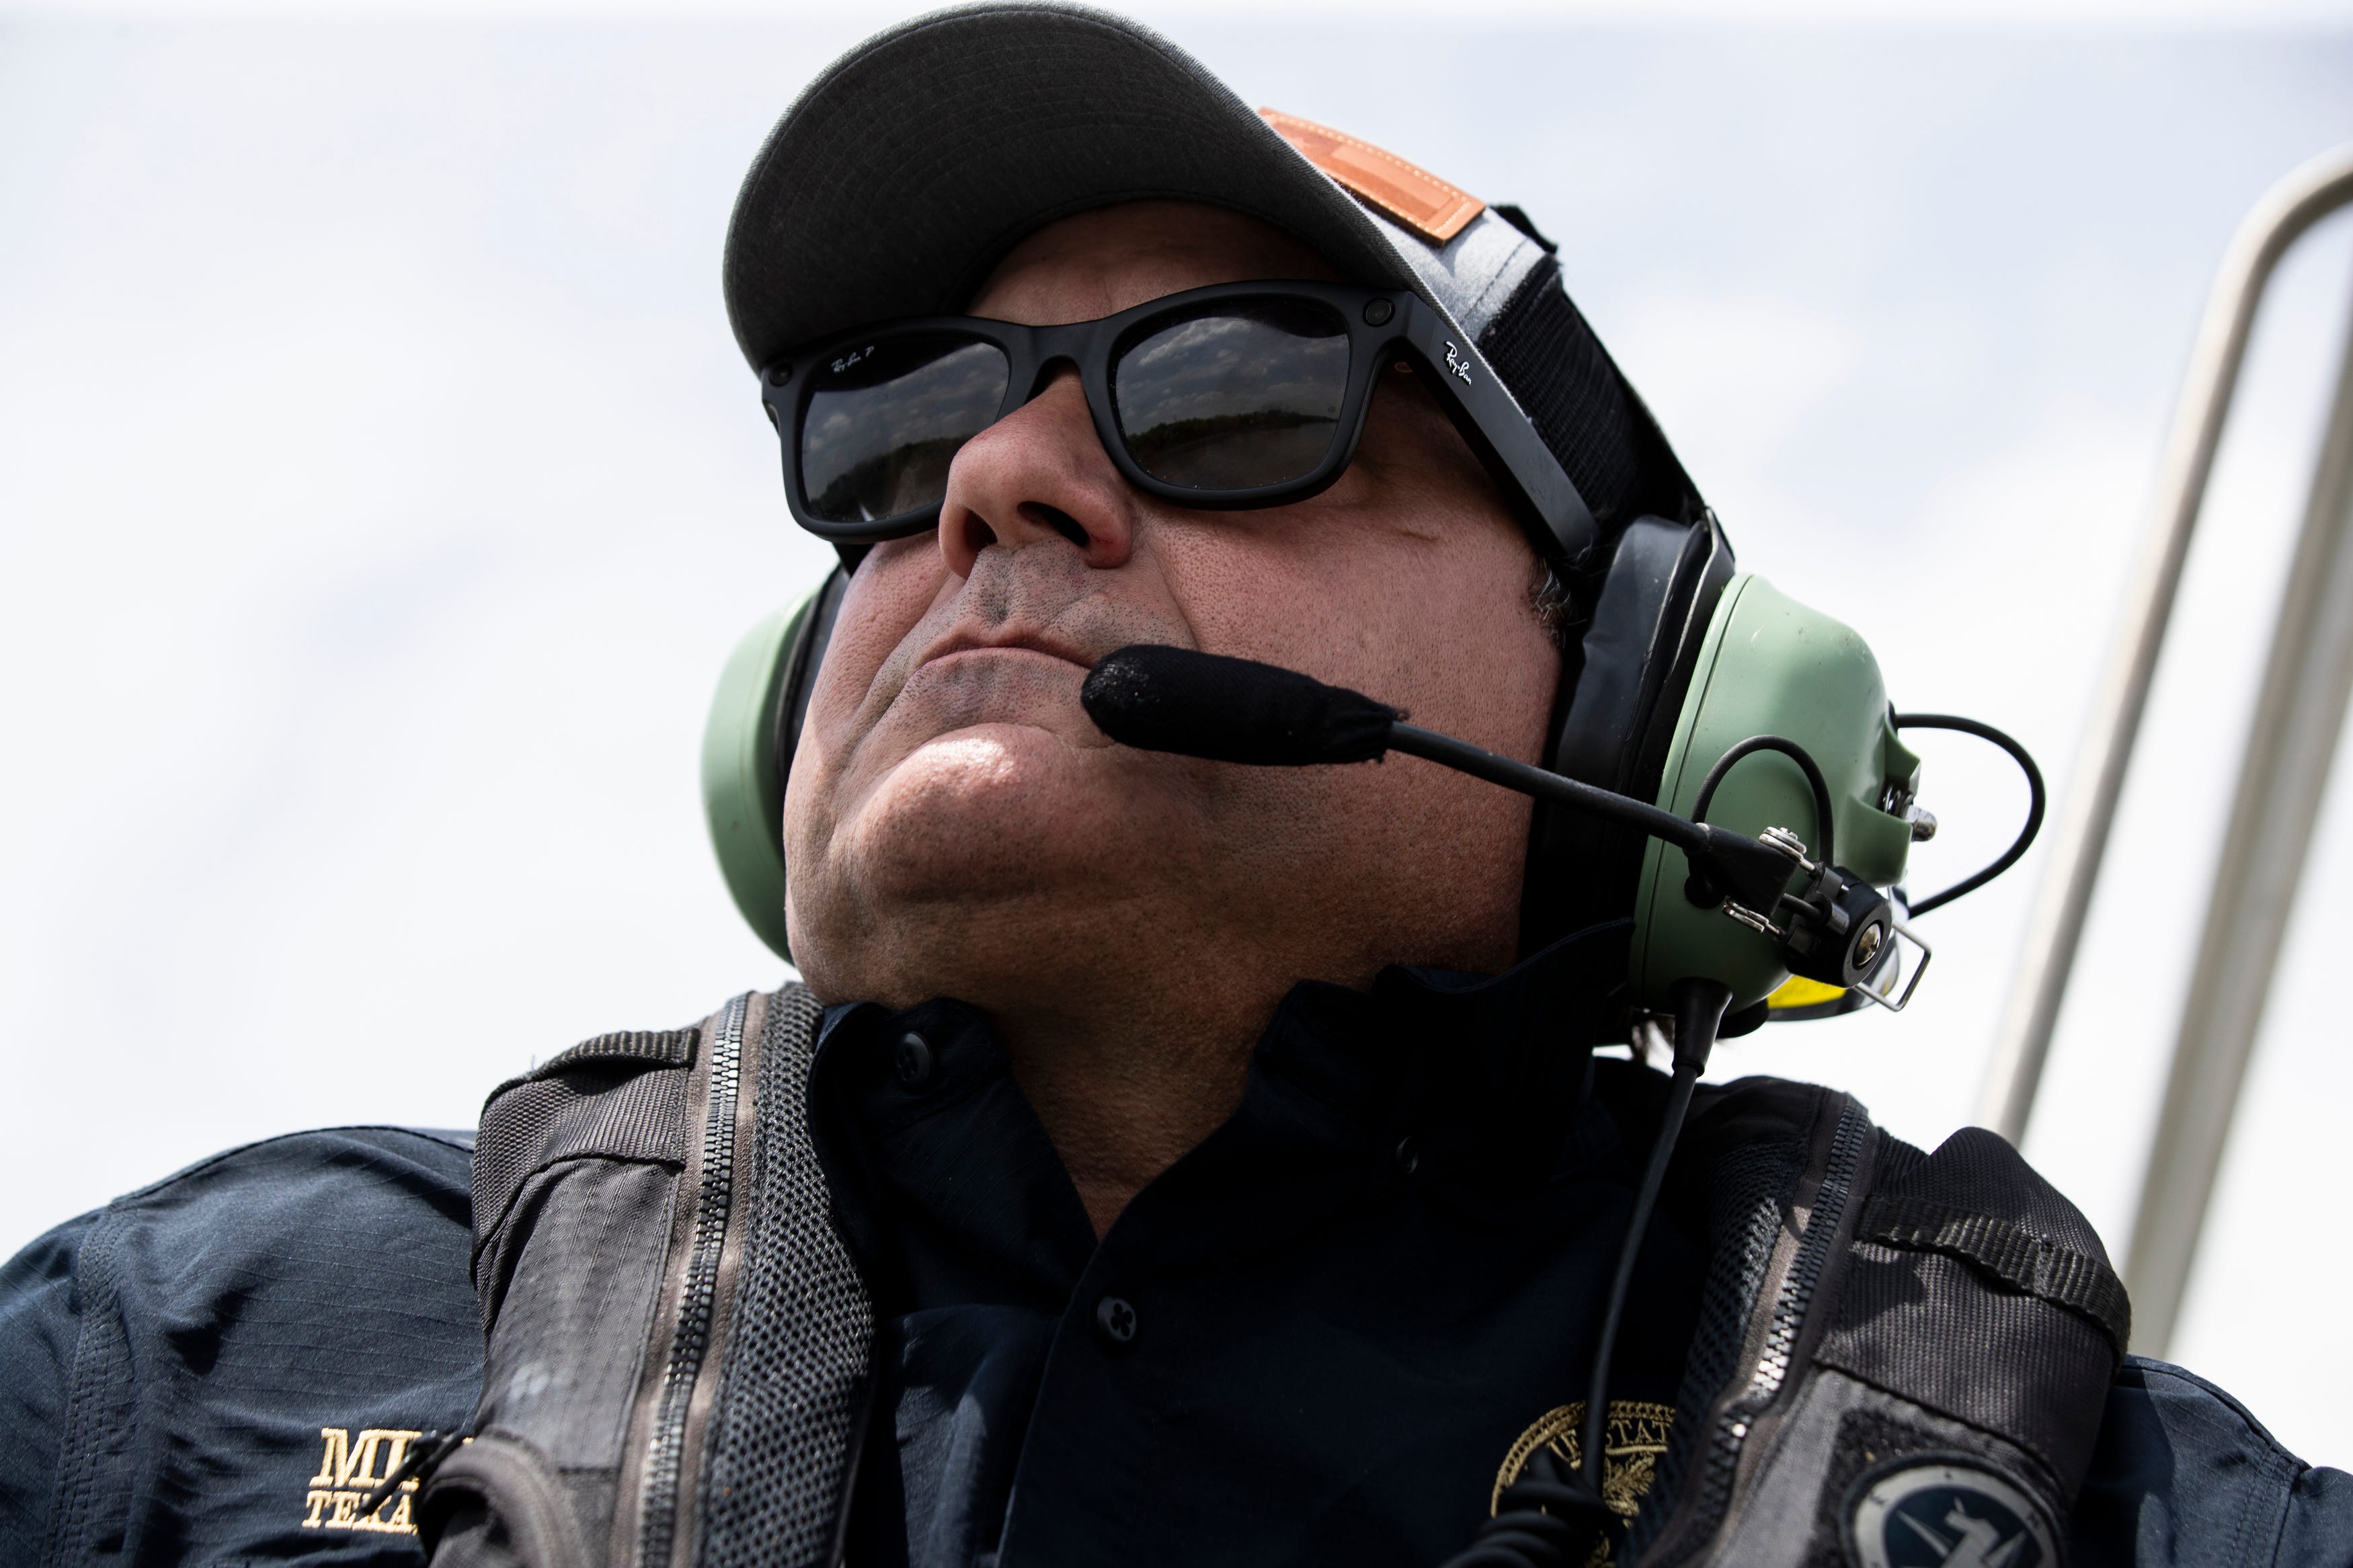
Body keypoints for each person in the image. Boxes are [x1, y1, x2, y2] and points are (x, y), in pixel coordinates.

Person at [4, 7, 2349, 1567]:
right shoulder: (189, 1354)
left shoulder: (2091, 1499)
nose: (997, 481)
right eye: (896, 433)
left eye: (1225, 398)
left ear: (1634, 691)